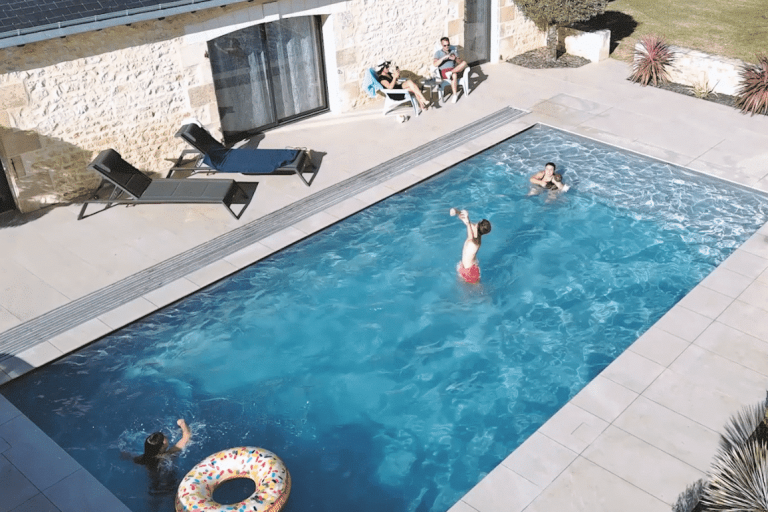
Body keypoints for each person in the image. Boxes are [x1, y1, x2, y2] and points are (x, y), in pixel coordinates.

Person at [452, 208, 491, 284]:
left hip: (470, 272)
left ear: (478, 225)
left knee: (475, 289)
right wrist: (456, 211)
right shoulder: (475, 235)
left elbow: (468, 226)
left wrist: (467, 219)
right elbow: (466, 222)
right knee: (463, 286)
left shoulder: (474, 241)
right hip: (467, 268)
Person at [433, 37, 469, 103]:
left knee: (464, 63)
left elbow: (460, 62)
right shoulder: (438, 53)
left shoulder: (453, 52)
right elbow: (435, 64)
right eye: (445, 45)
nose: (447, 47)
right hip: (444, 71)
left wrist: (455, 59)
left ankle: (451, 72)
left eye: (448, 45)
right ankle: (455, 95)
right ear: (442, 45)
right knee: (454, 75)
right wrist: (443, 58)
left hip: (453, 69)